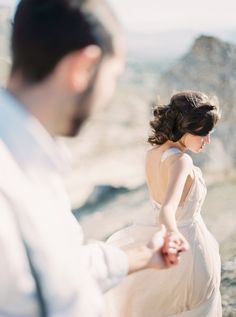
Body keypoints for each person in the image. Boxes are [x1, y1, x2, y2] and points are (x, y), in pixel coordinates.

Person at [0, 1, 184, 316]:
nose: (109, 94)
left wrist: (140, 256)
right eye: (112, 76)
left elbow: (58, 268)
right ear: (82, 67)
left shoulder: (32, 160)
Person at [104, 91, 222, 317]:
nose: (207, 140)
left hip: (155, 235)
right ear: (186, 127)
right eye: (203, 133)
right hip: (188, 245)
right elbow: (167, 210)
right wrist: (174, 235)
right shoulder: (181, 161)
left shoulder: (152, 154)